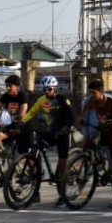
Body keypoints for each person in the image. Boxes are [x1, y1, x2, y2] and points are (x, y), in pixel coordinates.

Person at [20, 75, 76, 206]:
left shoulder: (62, 100)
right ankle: (37, 173)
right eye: (44, 89)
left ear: (55, 89)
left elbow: (70, 116)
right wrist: (22, 121)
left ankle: (62, 192)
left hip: (62, 133)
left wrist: (66, 128)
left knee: (62, 164)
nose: (46, 91)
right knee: (35, 148)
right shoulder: (42, 100)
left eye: (49, 89)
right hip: (50, 132)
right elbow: (32, 112)